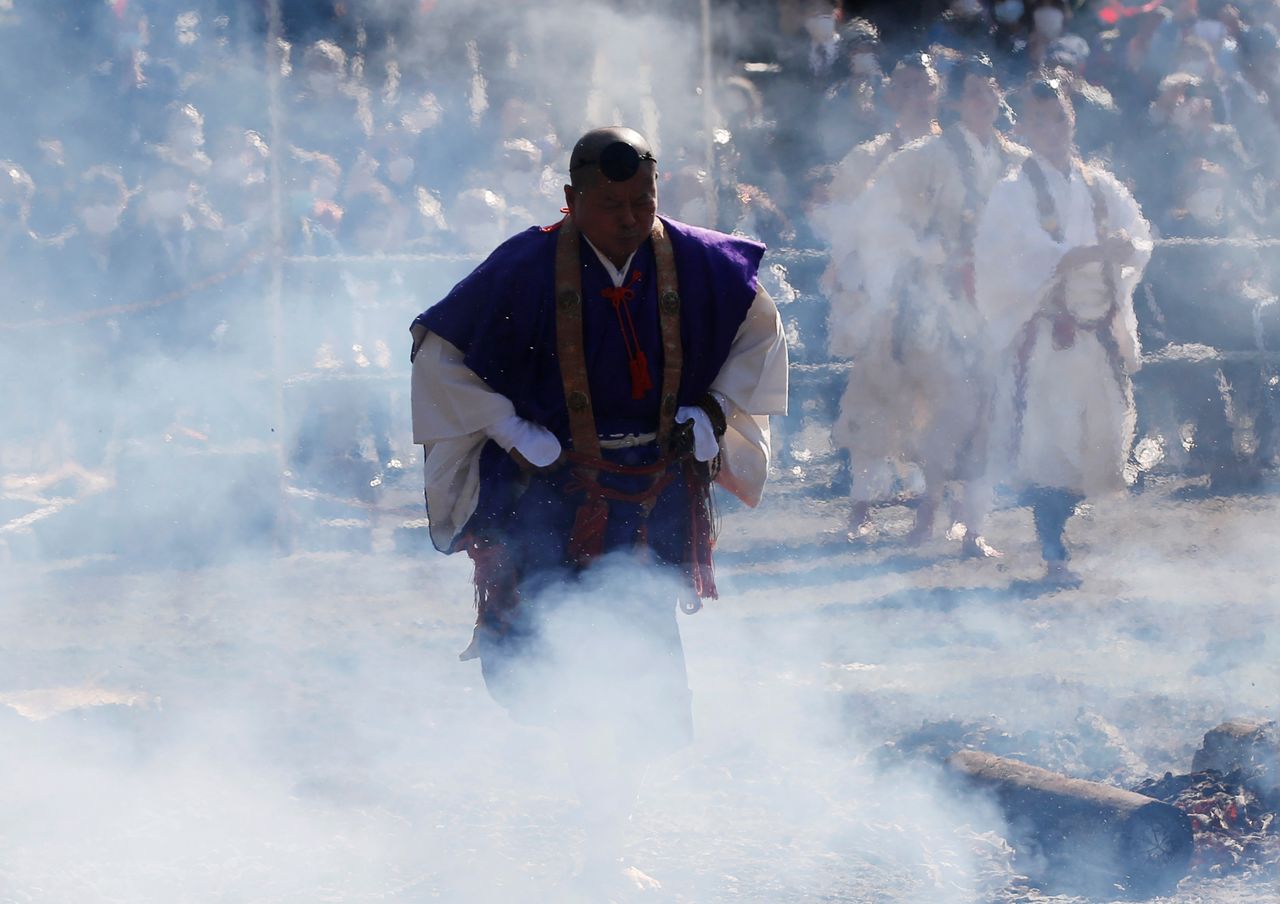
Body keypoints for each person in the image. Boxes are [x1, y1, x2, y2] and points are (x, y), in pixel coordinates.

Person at [408, 126, 788, 888]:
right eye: (610, 203)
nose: (628, 216)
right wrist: (511, 429)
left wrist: (711, 413)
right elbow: (437, 354)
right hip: (546, 503)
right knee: (550, 671)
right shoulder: (525, 264)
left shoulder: (695, 260)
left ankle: (604, 851)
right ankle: (577, 833)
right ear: (571, 199)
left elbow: (761, 334)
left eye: (642, 199)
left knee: (628, 674)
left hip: (649, 504)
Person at [830, 55, 1026, 553]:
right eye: (975, 92)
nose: (986, 101)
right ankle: (880, 510)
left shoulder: (1014, 159)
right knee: (894, 404)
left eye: (991, 90)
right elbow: (870, 218)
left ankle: (968, 521)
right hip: (920, 301)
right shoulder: (911, 155)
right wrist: (920, 251)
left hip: (988, 301)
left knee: (984, 408)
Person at [975, 79, 1153, 584]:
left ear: (1072, 121)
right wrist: (1099, 251)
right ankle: (1053, 551)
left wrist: (1125, 246)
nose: (1051, 129)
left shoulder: (1100, 185)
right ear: (1023, 128)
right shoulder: (1012, 191)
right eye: (1039, 120)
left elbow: (1139, 236)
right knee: (1047, 445)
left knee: (1097, 441)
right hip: (1051, 337)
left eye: (1059, 118)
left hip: (1096, 335)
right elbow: (1024, 256)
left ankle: (1059, 536)